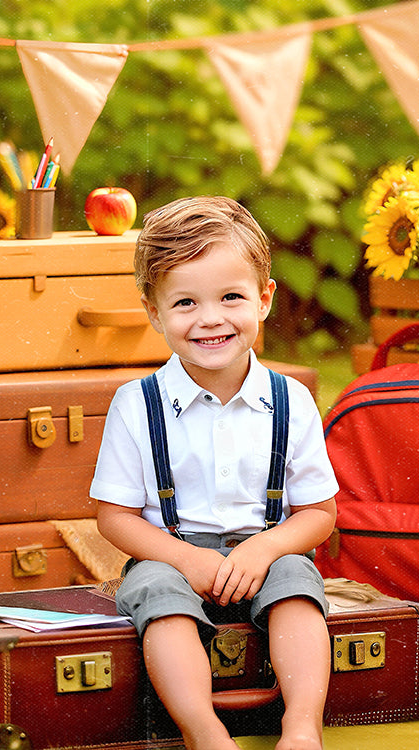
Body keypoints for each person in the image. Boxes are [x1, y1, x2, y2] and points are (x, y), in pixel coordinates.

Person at [91, 196, 338, 750]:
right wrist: (184, 558)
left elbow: (320, 513)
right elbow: (114, 517)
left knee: (298, 585)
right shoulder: (138, 403)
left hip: (266, 551)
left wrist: (266, 550)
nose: (210, 319)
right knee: (159, 599)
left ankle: (301, 726)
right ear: (154, 312)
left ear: (265, 298)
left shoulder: (290, 400)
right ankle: (204, 731)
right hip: (171, 556)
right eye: (184, 303)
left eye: (231, 296)